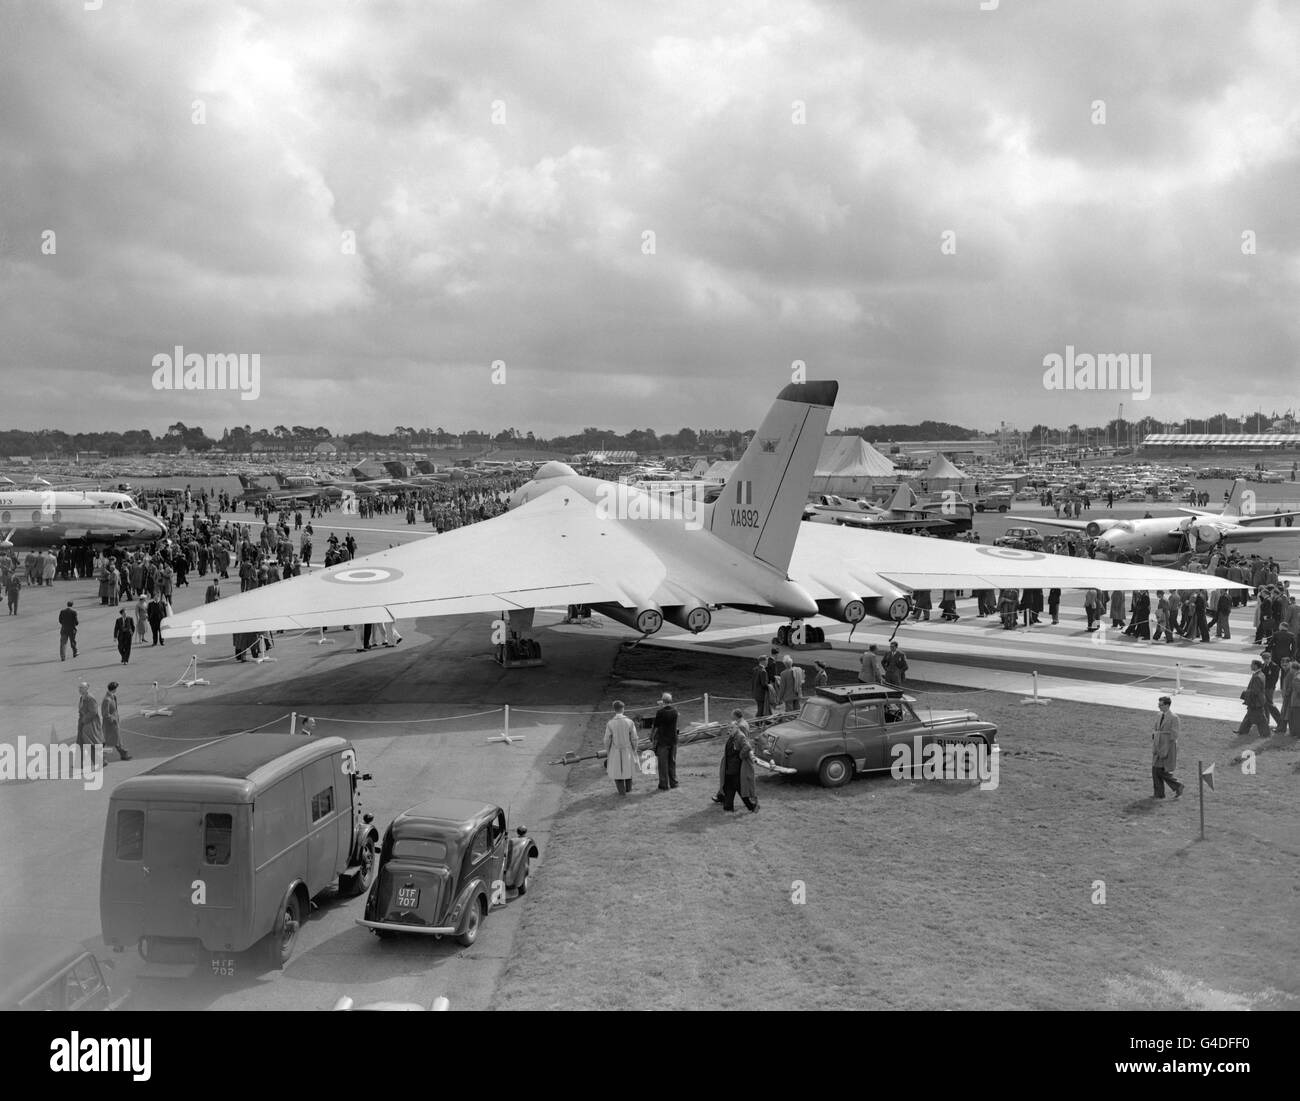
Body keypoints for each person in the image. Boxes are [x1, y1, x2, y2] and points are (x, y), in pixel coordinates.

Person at [717, 709, 759, 813]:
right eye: (728, 728)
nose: (729, 730)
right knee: (729, 787)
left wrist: (740, 755)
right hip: (730, 766)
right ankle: (728, 807)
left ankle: (752, 806)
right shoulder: (732, 736)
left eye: (731, 728)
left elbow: (748, 746)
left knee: (738, 788)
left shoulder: (740, 736)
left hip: (736, 767)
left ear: (736, 728)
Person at [602, 701, 639, 796]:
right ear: (623, 709)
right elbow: (634, 738)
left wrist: (608, 750)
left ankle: (622, 792)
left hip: (615, 749)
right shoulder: (629, 722)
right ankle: (628, 789)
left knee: (617, 771)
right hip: (627, 748)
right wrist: (634, 748)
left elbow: (606, 739)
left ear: (614, 709)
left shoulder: (610, 723)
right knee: (628, 768)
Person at [1151, 696, 1183, 798]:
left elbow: (1174, 735)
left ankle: (1177, 786)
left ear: (1167, 705)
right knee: (1156, 769)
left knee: (1159, 770)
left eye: (1161, 705)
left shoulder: (1174, 718)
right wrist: (1155, 737)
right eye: (1158, 704)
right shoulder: (1159, 715)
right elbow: (1155, 728)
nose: (1159, 707)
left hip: (1167, 747)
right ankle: (1160, 794)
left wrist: (1162, 737)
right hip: (1158, 745)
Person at [650, 693, 679, 791]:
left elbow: (656, 725)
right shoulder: (675, 711)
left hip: (663, 741)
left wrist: (651, 736)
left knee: (663, 764)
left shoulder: (660, 712)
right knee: (672, 762)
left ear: (663, 701)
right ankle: (673, 782)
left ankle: (664, 784)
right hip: (673, 740)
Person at [1238, 660, 1270, 738]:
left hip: (1256, 701)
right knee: (1249, 716)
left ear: (1256, 666)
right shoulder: (1261, 674)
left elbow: (1255, 691)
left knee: (1261, 718)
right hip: (1257, 700)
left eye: (1252, 665)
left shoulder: (1257, 677)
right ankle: (1242, 731)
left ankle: (1265, 734)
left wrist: (1245, 693)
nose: (1250, 666)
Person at [76, 681, 103, 768]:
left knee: (89, 743)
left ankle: (100, 761)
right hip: (82, 723)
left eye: (82, 688)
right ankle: (79, 763)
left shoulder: (90, 698)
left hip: (89, 724)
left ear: (87, 688)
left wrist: (84, 720)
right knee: (80, 743)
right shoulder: (82, 698)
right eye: (79, 688)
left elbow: (93, 712)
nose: (80, 689)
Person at [101, 681, 131, 761]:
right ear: (114, 689)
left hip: (114, 722)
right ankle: (123, 754)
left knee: (114, 739)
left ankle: (123, 754)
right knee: (108, 739)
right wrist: (113, 719)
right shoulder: (107, 699)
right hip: (110, 724)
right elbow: (105, 714)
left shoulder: (113, 697)